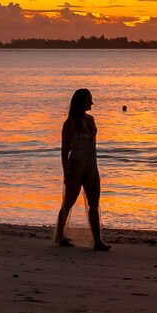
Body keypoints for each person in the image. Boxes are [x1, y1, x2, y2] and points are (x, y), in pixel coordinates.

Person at [53, 87, 110, 250]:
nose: (92, 102)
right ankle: (59, 236)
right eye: (89, 99)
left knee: (94, 203)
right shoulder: (70, 123)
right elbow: (65, 149)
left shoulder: (91, 120)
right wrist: (66, 171)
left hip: (91, 165)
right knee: (68, 203)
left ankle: (97, 240)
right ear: (81, 102)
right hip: (76, 165)